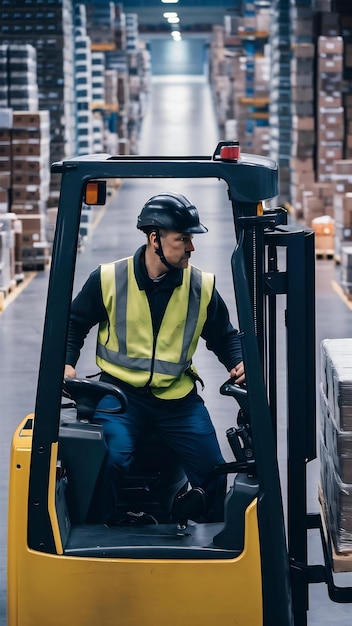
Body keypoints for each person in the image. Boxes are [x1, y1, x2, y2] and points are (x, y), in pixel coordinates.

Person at [64, 191, 245, 524]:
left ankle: (217, 546)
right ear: (154, 239)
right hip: (120, 397)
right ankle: (102, 536)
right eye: (183, 239)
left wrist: (237, 361)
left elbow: (224, 335)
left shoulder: (199, 286)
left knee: (214, 470)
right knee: (110, 460)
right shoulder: (109, 279)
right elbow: (73, 324)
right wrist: (67, 361)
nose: (191, 247)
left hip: (177, 400)